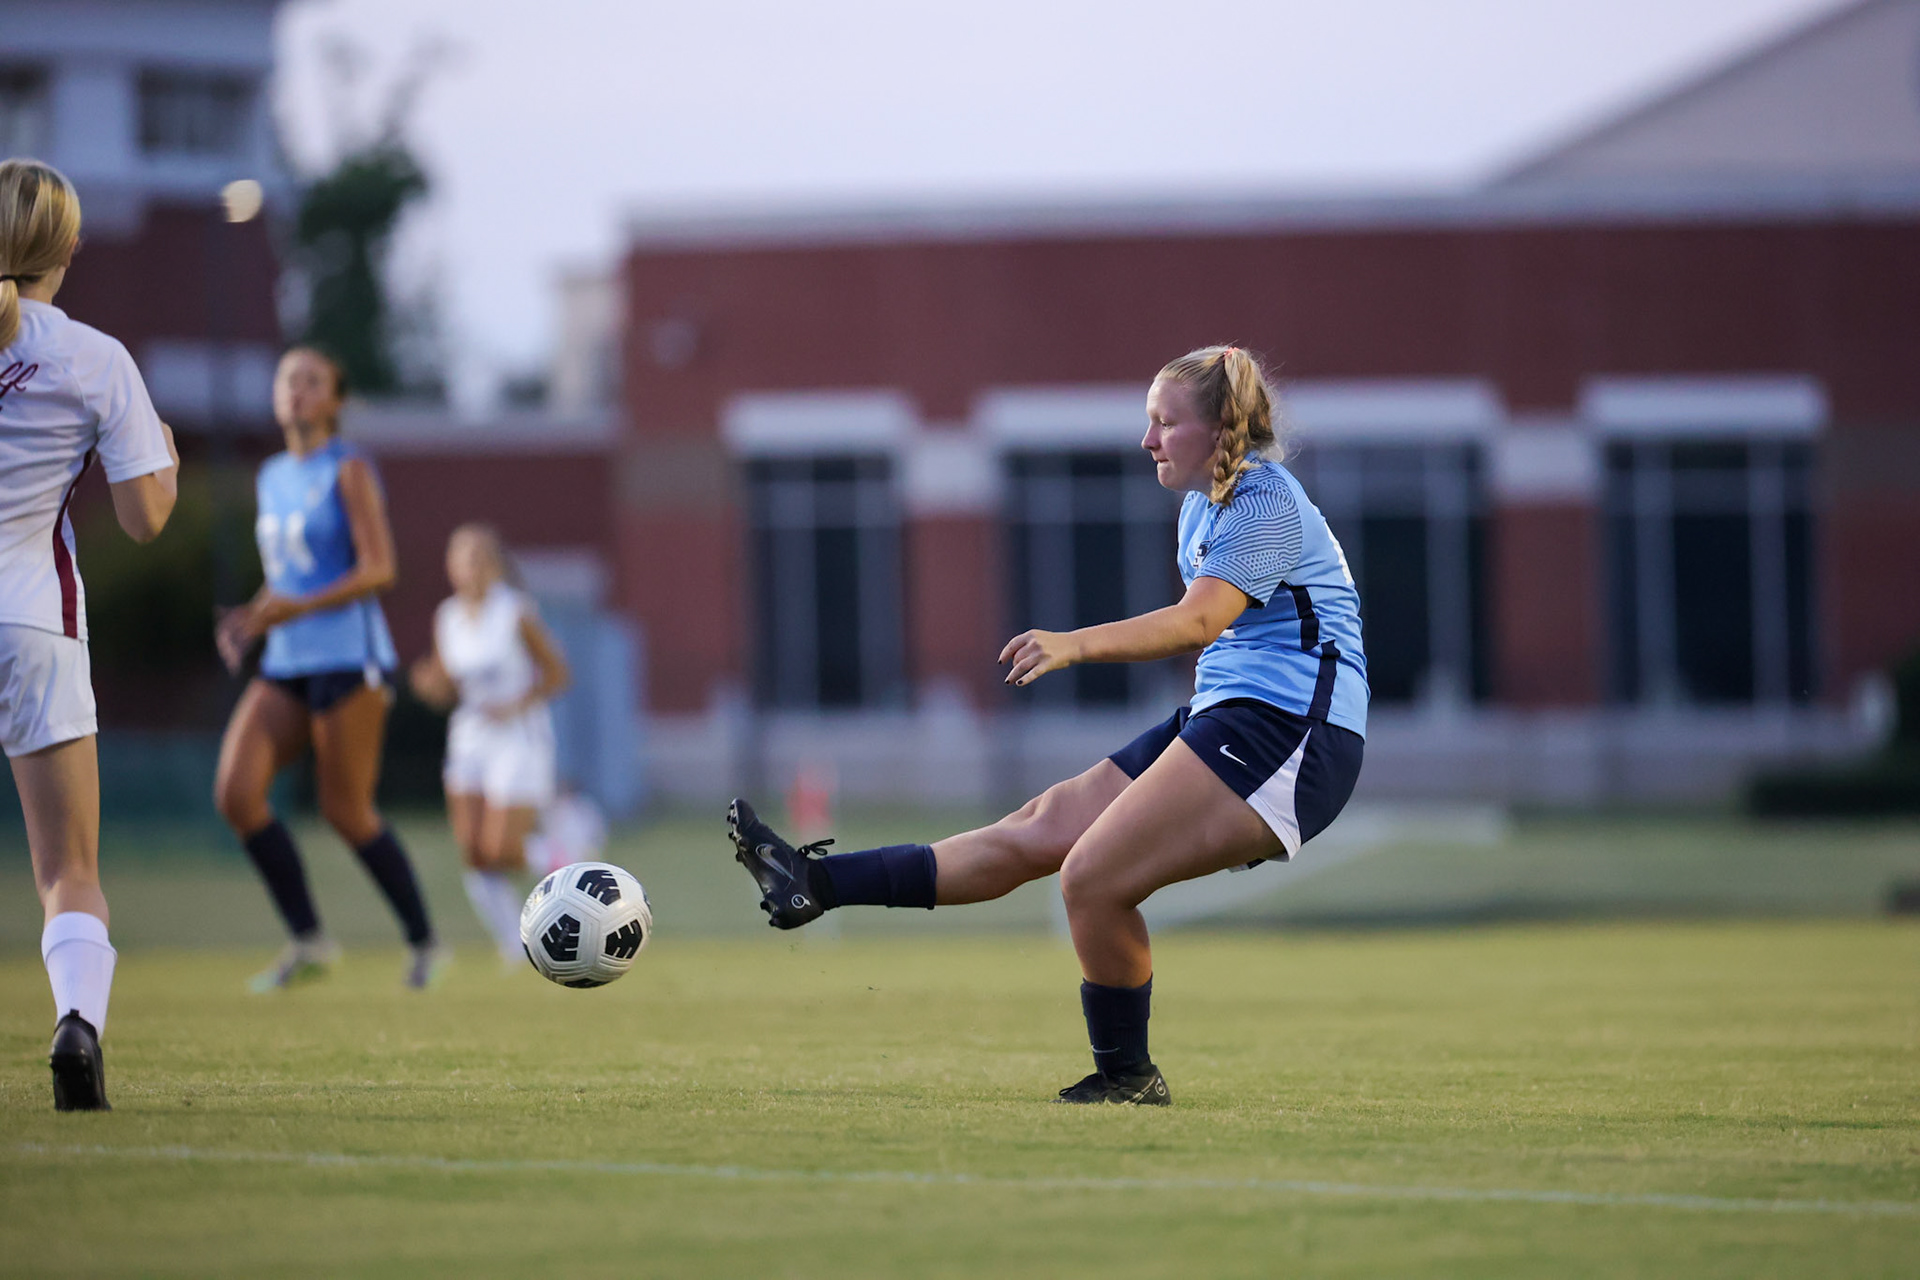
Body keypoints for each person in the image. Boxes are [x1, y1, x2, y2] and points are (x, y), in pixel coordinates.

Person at [728, 344, 1368, 1105]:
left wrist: (1073, 644)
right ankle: (817, 882)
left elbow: (1200, 622)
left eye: (1166, 422)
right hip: (1231, 711)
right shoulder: (1203, 501)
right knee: (1037, 831)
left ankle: (1128, 1078)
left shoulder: (1263, 501)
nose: (1148, 440)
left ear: (1220, 429)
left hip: (1294, 730)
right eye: (1148, 421)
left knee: (1092, 878)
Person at [0, 159, 180, 1110]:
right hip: (32, 620)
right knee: (69, 871)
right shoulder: (94, 356)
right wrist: (172, 466)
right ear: (69, 247)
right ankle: (77, 1028)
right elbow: (147, 519)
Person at [213, 346, 442, 991]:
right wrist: (252, 618)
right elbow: (287, 577)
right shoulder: (271, 475)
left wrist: (296, 606)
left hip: (349, 656)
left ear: (335, 400)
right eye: (288, 379)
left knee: (346, 811)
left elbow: (380, 569)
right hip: (287, 660)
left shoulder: (349, 469)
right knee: (236, 793)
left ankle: (425, 943)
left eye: (312, 381)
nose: (296, 391)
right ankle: (310, 939)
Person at [409, 524, 570, 966]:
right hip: (470, 740)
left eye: (480, 558)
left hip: (518, 738)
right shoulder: (448, 617)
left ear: (495, 565)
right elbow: (447, 683)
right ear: (450, 567)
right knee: (474, 853)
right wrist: (427, 685)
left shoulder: (514, 612)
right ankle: (514, 946)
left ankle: (563, 854)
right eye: (463, 559)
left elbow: (558, 674)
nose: (471, 568)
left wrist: (515, 704)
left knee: (501, 848)